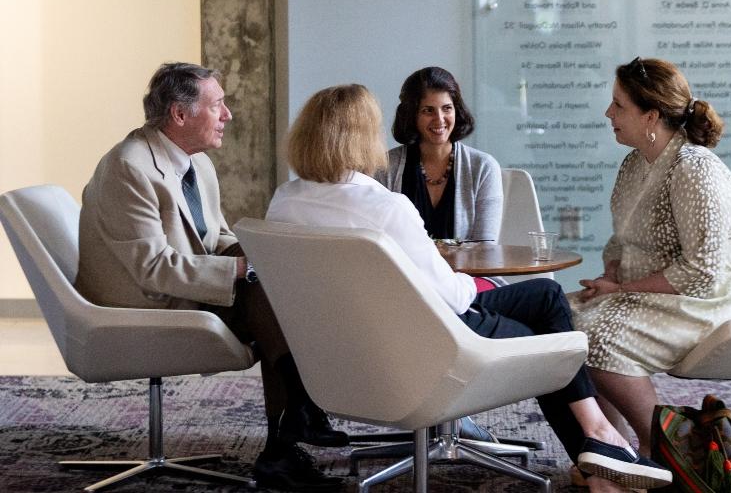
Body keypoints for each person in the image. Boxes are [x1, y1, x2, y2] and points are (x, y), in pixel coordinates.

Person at [266, 84, 673, 492]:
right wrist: (462, 280)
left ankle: (597, 440)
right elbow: (455, 298)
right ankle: (599, 447)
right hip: (428, 348)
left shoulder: (284, 203)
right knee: (552, 340)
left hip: (340, 355)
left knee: (546, 295)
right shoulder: (386, 208)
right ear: (362, 137)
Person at [76, 62, 346, 491]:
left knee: (275, 280)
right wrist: (246, 267)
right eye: (217, 105)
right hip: (141, 305)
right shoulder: (129, 168)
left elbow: (216, 238)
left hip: (183, 288)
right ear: (180, 115)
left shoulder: (195, 163)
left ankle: (291, 427)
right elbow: (152, 267)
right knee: (264, 289)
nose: (228, 115)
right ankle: (294, 419)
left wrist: (267, 256)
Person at [569, 57, 731, 459]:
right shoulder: (634, 162)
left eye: (618, 105)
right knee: (566, 323)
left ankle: (662, 452)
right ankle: (615, 451)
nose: (608, 113)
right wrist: (610, 276)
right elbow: (622, 240)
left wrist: (622, 287)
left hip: (714, 297)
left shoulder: (695, 170)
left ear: (651, 115)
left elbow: (702, 272)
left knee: (597, 339)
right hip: (653, 288)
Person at [377, 66, 502, 243]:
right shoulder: (385, 167)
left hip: (467, 270)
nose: (440, 119)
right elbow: (379, 243)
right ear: (412, 115)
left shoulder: (484, 167)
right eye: (428, 110)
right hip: (402, 271)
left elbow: (486, 247)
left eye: (447, 108)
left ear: (457, 111)